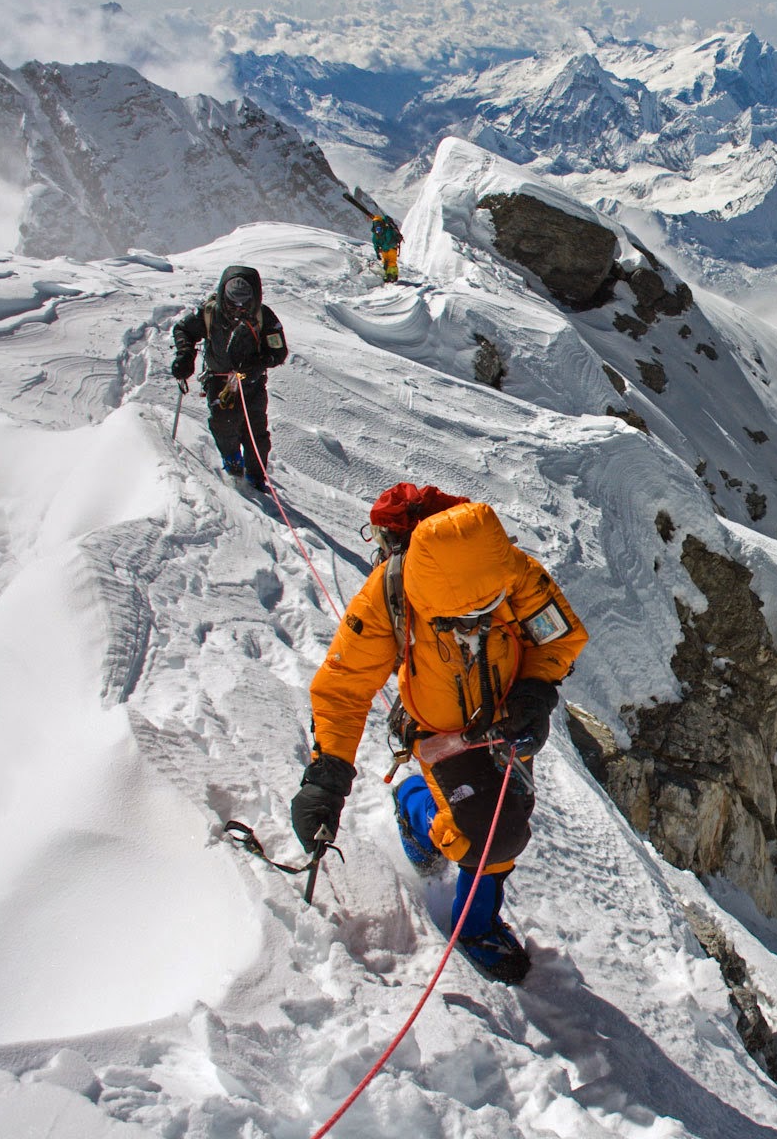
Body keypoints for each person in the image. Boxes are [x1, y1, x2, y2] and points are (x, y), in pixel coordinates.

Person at [292, 484, 589, 984]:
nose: (470, 624)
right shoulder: (390, 593)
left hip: (505, 721)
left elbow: (558, 638)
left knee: (511, 814)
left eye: (483, 610)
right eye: (454, 619)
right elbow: (343, 686)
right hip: (439, 731)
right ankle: (471, 919)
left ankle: (417, 809)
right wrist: (327, 774)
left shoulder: (513, 573)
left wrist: (536, 690)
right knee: (492, 836)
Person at [170, 266, 288, 491]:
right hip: (219, 380)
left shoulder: (265, 317)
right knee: (224, 425)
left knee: (256, 434)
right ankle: (232, 461)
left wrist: (258, 363)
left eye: (245, 302)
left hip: (251, 381)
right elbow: (183, 330)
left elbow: (278, 351)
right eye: (234, 301)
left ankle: (256, 477)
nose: (239, 307)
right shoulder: (210, 313)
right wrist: (185, 354)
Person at [371, 213, 403, 284]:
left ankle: (392, 276)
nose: (378, 230)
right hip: (384, 248)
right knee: (385, 261)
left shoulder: (388, 230)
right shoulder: (376, 234)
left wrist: (382, 249)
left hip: (392, 247)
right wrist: (377, 253)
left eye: (379, 228)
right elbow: (375, 243)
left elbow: (390, 241)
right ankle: (389, 275)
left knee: (391, 261)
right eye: (377, 228)